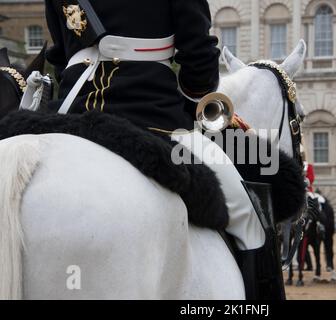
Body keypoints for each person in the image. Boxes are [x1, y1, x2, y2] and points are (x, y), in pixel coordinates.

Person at [42, 0, 274, 298]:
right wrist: (194, 98)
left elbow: (61, 56)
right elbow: (199, 59)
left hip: (71, 113)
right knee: (247, 213)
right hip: (151, 111)